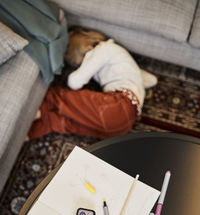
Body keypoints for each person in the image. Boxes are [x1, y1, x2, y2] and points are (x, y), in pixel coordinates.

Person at [28, 27, 157, 140]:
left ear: (88, 48)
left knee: (58, 96)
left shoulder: (103, 49)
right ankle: (31, 132)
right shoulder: (124, 61)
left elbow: (74, 82)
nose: (82, 66)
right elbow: (151, 80)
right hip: (123, 126)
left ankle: (36, 111)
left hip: (118, 106)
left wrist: (80, 72)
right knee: (67, 122)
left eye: (80, 64)